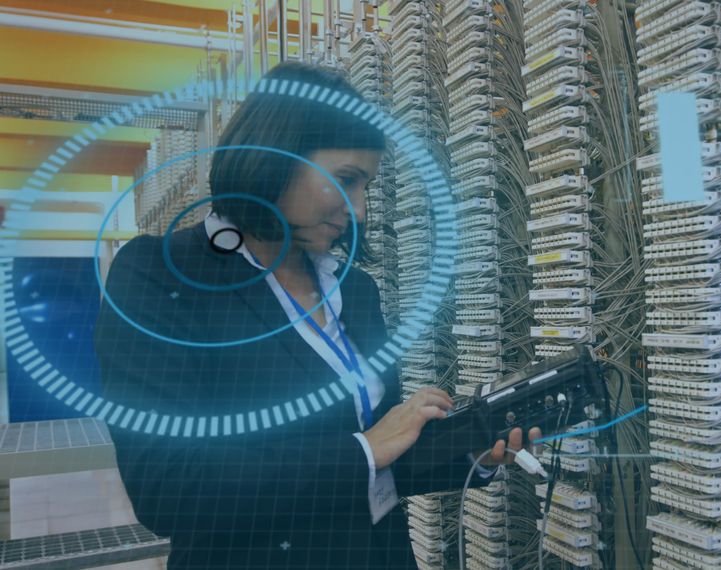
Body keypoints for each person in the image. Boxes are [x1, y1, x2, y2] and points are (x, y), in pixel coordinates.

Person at [94, 61, 539, 569]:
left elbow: (380, 461)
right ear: (275, 157)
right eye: (346, 179)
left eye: (366, 186)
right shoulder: (162, 275)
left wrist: (469, 452)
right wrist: (364, 449)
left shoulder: (355, 290)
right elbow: (167, 487)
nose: (360, 209)